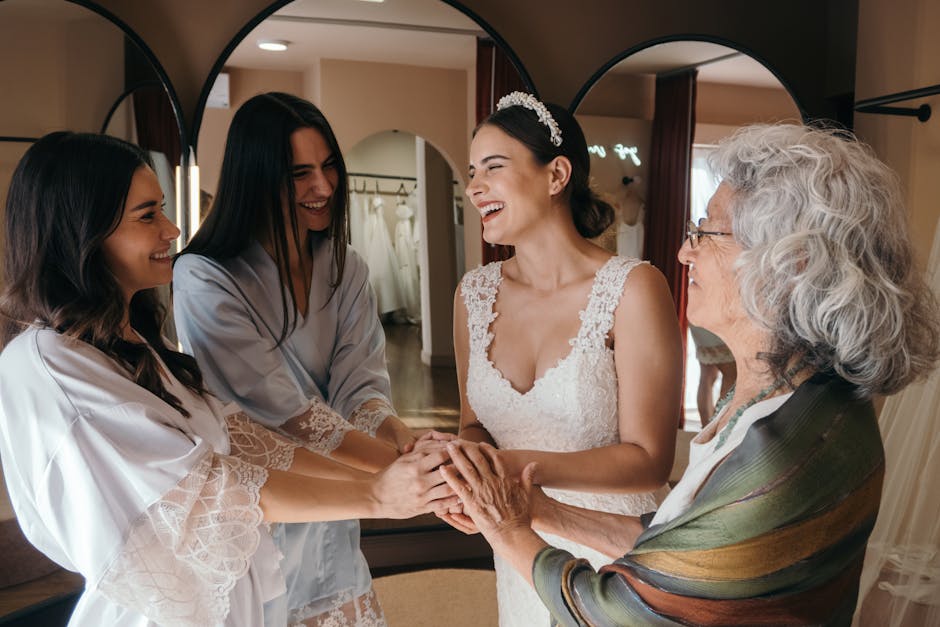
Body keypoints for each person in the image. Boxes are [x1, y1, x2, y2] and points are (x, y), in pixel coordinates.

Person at [440, 123, 940, 626]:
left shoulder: (782, 453)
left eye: (708, 232)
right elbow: (673, 540)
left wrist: (508, 527)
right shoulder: (783, 400)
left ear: (789, 263)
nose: (684, 251)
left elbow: (620, 611)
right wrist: (537, 510)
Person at [0, 132, 455, 626]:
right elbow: (213, 491)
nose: (172, 230)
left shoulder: (135, 347)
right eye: (148, 215)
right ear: (81, 230)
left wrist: (397, 473)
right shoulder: (51, 363)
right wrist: (378, 494)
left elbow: (246, 442)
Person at [172, 92, 418, 624]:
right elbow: (281, 412)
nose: (324, 187)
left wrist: (401, 436)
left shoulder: (345, 266)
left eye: (329, 166)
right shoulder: (204, 276)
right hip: (273, 503)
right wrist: (404, 472)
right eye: (299, 173)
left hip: (342, 504)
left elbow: (362, 384)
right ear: (256, 178)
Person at [448, 91, 683, 626]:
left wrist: (515, 472)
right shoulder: (473, 295)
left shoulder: (633, 288)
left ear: (556, 175)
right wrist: (469, 470)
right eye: (470, 171)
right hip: (516, 543)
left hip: (615, 548)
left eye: (494, 167)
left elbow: (650, 457)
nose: (473, 186)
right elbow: (473, 424)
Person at [688, 324, 737, 426]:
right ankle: (717, 429)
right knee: (732, 375)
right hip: (715, 320)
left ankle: (707, 429)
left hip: (697, 319)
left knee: (707, 376)